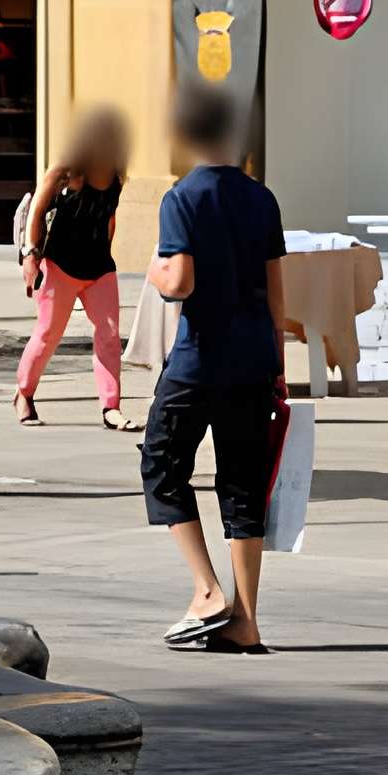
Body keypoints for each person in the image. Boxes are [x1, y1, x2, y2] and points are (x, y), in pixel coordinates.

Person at [141, 79, 288, 653]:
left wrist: (153, 271)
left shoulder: (182, 196)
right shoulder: (262, 197)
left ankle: (206, 590)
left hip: (200, 360)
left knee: (162, 464)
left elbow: (179, 281)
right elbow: (279, 297)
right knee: (243, 487)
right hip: (254, 361)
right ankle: (246, 620)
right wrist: (276, 365)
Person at [14, 105, 133, 429]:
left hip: (99, 267)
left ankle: (111, 407)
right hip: (60, 265)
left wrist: (106, 254)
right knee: (49, 333)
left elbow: (110, 217)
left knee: (109, 336)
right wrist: (30, 258)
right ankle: (24, 393)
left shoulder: (117, 170)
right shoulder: (65, 169)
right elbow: (36, 212)